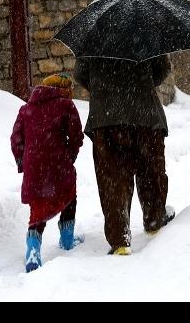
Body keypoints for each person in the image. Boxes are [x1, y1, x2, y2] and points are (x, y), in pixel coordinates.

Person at [74, 56, 175, 255]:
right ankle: (154, 219)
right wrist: (140, 82)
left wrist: (104, 88)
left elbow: (80, 75)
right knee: (150, 169)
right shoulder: (146, 30)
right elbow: (162, 69)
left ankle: (120, 240)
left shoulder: (94, 35)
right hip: (145, 114)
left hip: (107, 118)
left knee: (113, 178)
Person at [10, 73, 84, 273]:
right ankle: (67, 240)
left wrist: (24, 162)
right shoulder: (66, 105)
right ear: (64, 88)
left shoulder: (26, 110)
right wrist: (69, 155)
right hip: (59, 164)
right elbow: (77, 135)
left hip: (35, 169)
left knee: (37, 211)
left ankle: (33, 251)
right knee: (69, 197)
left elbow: (16, 140)